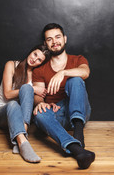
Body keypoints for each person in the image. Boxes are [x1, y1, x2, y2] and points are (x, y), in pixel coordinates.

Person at [32, 23, 95, 169]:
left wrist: (63, 72)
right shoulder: (40, 69)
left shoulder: (77, 59)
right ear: (45, 44)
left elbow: (85, 72)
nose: (55, 42)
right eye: (49, 39)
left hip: (80, 111)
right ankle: (77, 149)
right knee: (39, 115)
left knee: (76, 79)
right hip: (57, 115)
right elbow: (39, 95)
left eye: (58, 37)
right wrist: (40, 103)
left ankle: (78, 134)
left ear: (65, 39)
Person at [0, 44, 50, 163]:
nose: (34, 59)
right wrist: (33, 88)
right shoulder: (12, 65)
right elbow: (7, 94)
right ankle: (23, 142)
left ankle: (21, 139)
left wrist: (43, 101)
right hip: (2, 113)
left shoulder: (35, 76)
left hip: (19, 120)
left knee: (26, 90)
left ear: (41, 63)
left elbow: (34, 100)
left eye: (39, 60)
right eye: (35, 54)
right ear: (30, 51)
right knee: (14, 103)